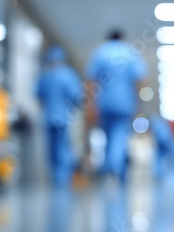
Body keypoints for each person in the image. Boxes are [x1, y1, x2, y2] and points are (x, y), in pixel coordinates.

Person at [85, 29, 147, 182]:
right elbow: (139, 82)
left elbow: (91, 81)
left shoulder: (100, 53)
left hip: (104, 103)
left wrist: (90, 105)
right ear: (122, 38)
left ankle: (109, 166)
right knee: (119, 135)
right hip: (125, 104)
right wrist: (140, 105)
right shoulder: (131, 53)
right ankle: (114, 166)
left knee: (107, 136)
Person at [36, 46, 83, 186]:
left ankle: (57, 177)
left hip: (49, 117)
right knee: (63, 147)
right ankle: (62, 178)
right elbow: (77, 97)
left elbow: (38, 95)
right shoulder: (69, 75)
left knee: (52, 149)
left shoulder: (45, 76)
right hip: (64, 118)